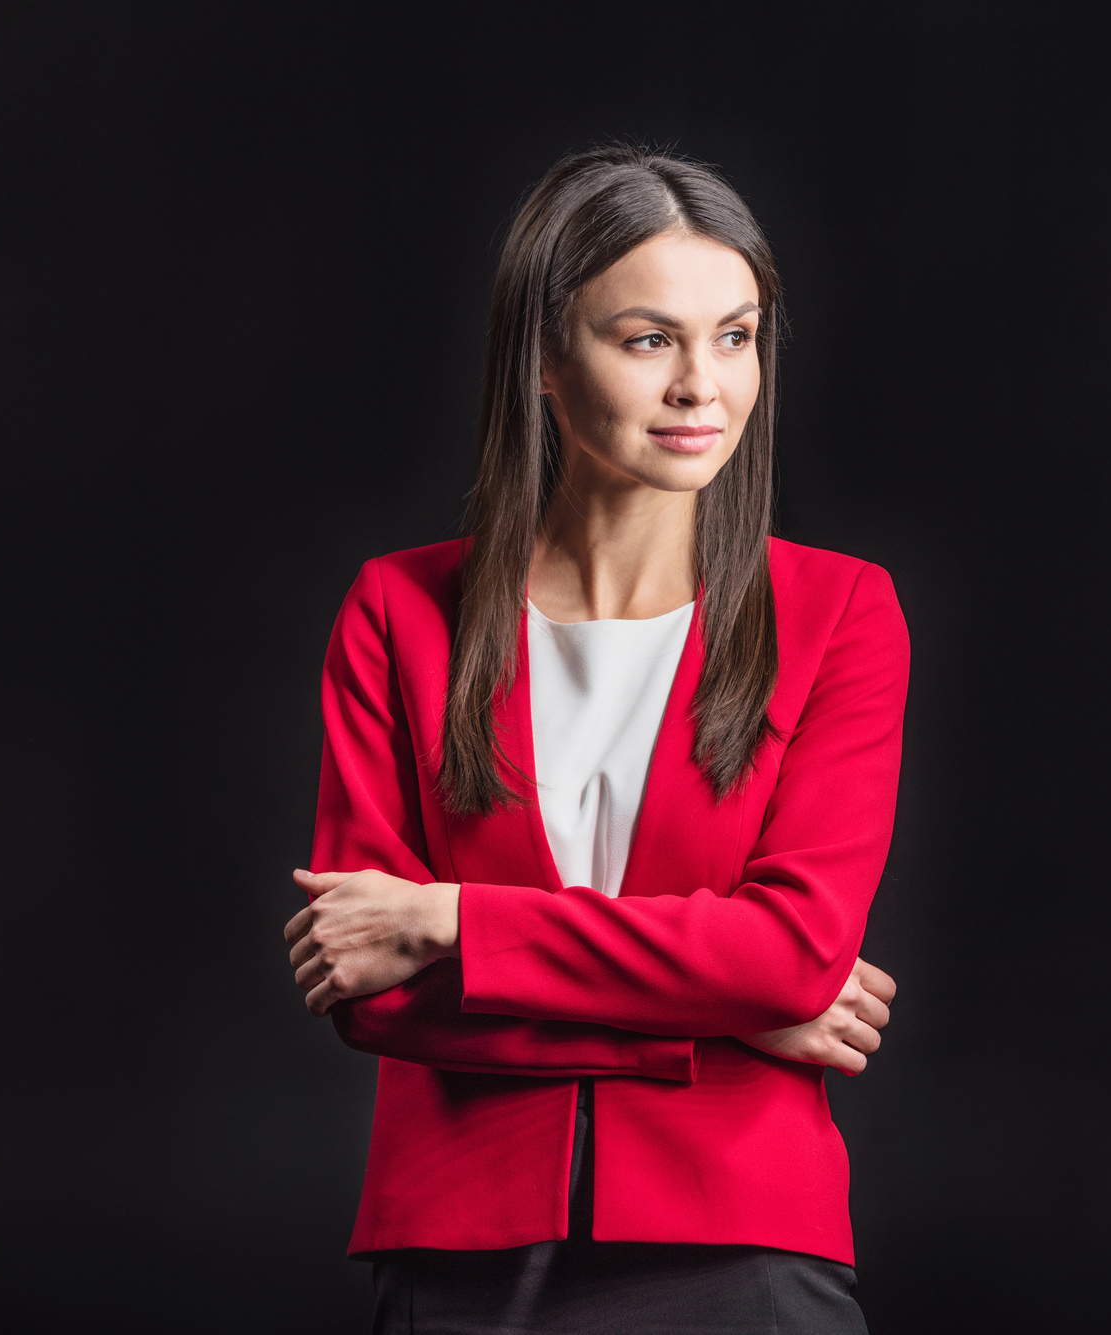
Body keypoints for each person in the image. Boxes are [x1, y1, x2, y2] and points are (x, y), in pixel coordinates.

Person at [282, 145, 909, 1335]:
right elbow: (369, 998)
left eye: (735, 336)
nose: (702, 386)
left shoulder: (840, 614)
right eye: (647, 339)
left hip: (738, 1248)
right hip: (457, 1252)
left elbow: (791, 953)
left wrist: (453, 920)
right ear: (544, 364)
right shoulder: (394, 611)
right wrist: (721, 1012)